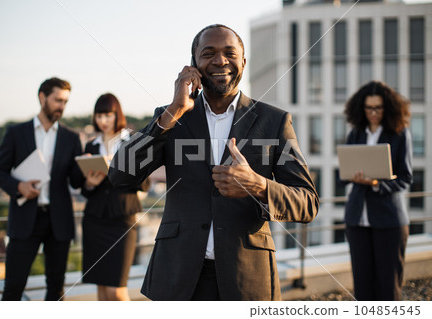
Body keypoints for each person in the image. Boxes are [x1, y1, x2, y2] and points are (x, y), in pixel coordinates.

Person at [109, 24, 319, 301]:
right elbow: (120, 176)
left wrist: (258, 185)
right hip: (177, 278)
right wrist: (174, 110)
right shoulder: (171, 117)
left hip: (247, 279)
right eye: (209, 54)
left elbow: (307, 202)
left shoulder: (274, 122)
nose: (220, 60)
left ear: (243, 61)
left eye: (229, 53)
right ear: (193, 65)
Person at [0, 77, 84, 300]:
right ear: (42, 97)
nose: (62, 106)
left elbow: (75, 181)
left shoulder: (71, 138)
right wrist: (19, 186)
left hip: (59, 222)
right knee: (13, 288)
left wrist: (87, 170)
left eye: (65, 102)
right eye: (57, 100)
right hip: (25, 220)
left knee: (56, 290)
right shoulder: (16, 132)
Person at [343, 81, 413, 300]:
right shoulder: (356, 134)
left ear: (388, 108)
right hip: (357, 220)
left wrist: (376, 184)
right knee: (362, 289)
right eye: (369, 108)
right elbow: (342, 173)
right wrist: (351, 176)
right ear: (361, 109)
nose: (373, 113)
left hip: (389, 221)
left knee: (388, 289)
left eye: (378, 108)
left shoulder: (400, 134)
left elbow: (406, 177)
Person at [81, 93, 149, 301]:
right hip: (95, 220)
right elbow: (84, 189)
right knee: (101, 289)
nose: (102, 121)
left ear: (117, 115)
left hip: (122, 221)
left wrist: (119, 168)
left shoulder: (132, 142)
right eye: (99, 116)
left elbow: (144, 184)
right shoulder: (91, 146)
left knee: (116, 290)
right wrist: (89, 184)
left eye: (107, 116)